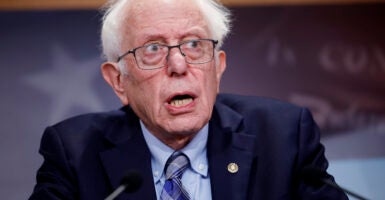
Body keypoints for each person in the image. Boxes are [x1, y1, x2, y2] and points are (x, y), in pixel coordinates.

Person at [30, 0, 348, 199]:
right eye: (153, 49)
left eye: (194, 44)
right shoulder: (74, 152)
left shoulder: (282, 137)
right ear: (118, 81)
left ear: (218, 67)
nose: (179, 66)